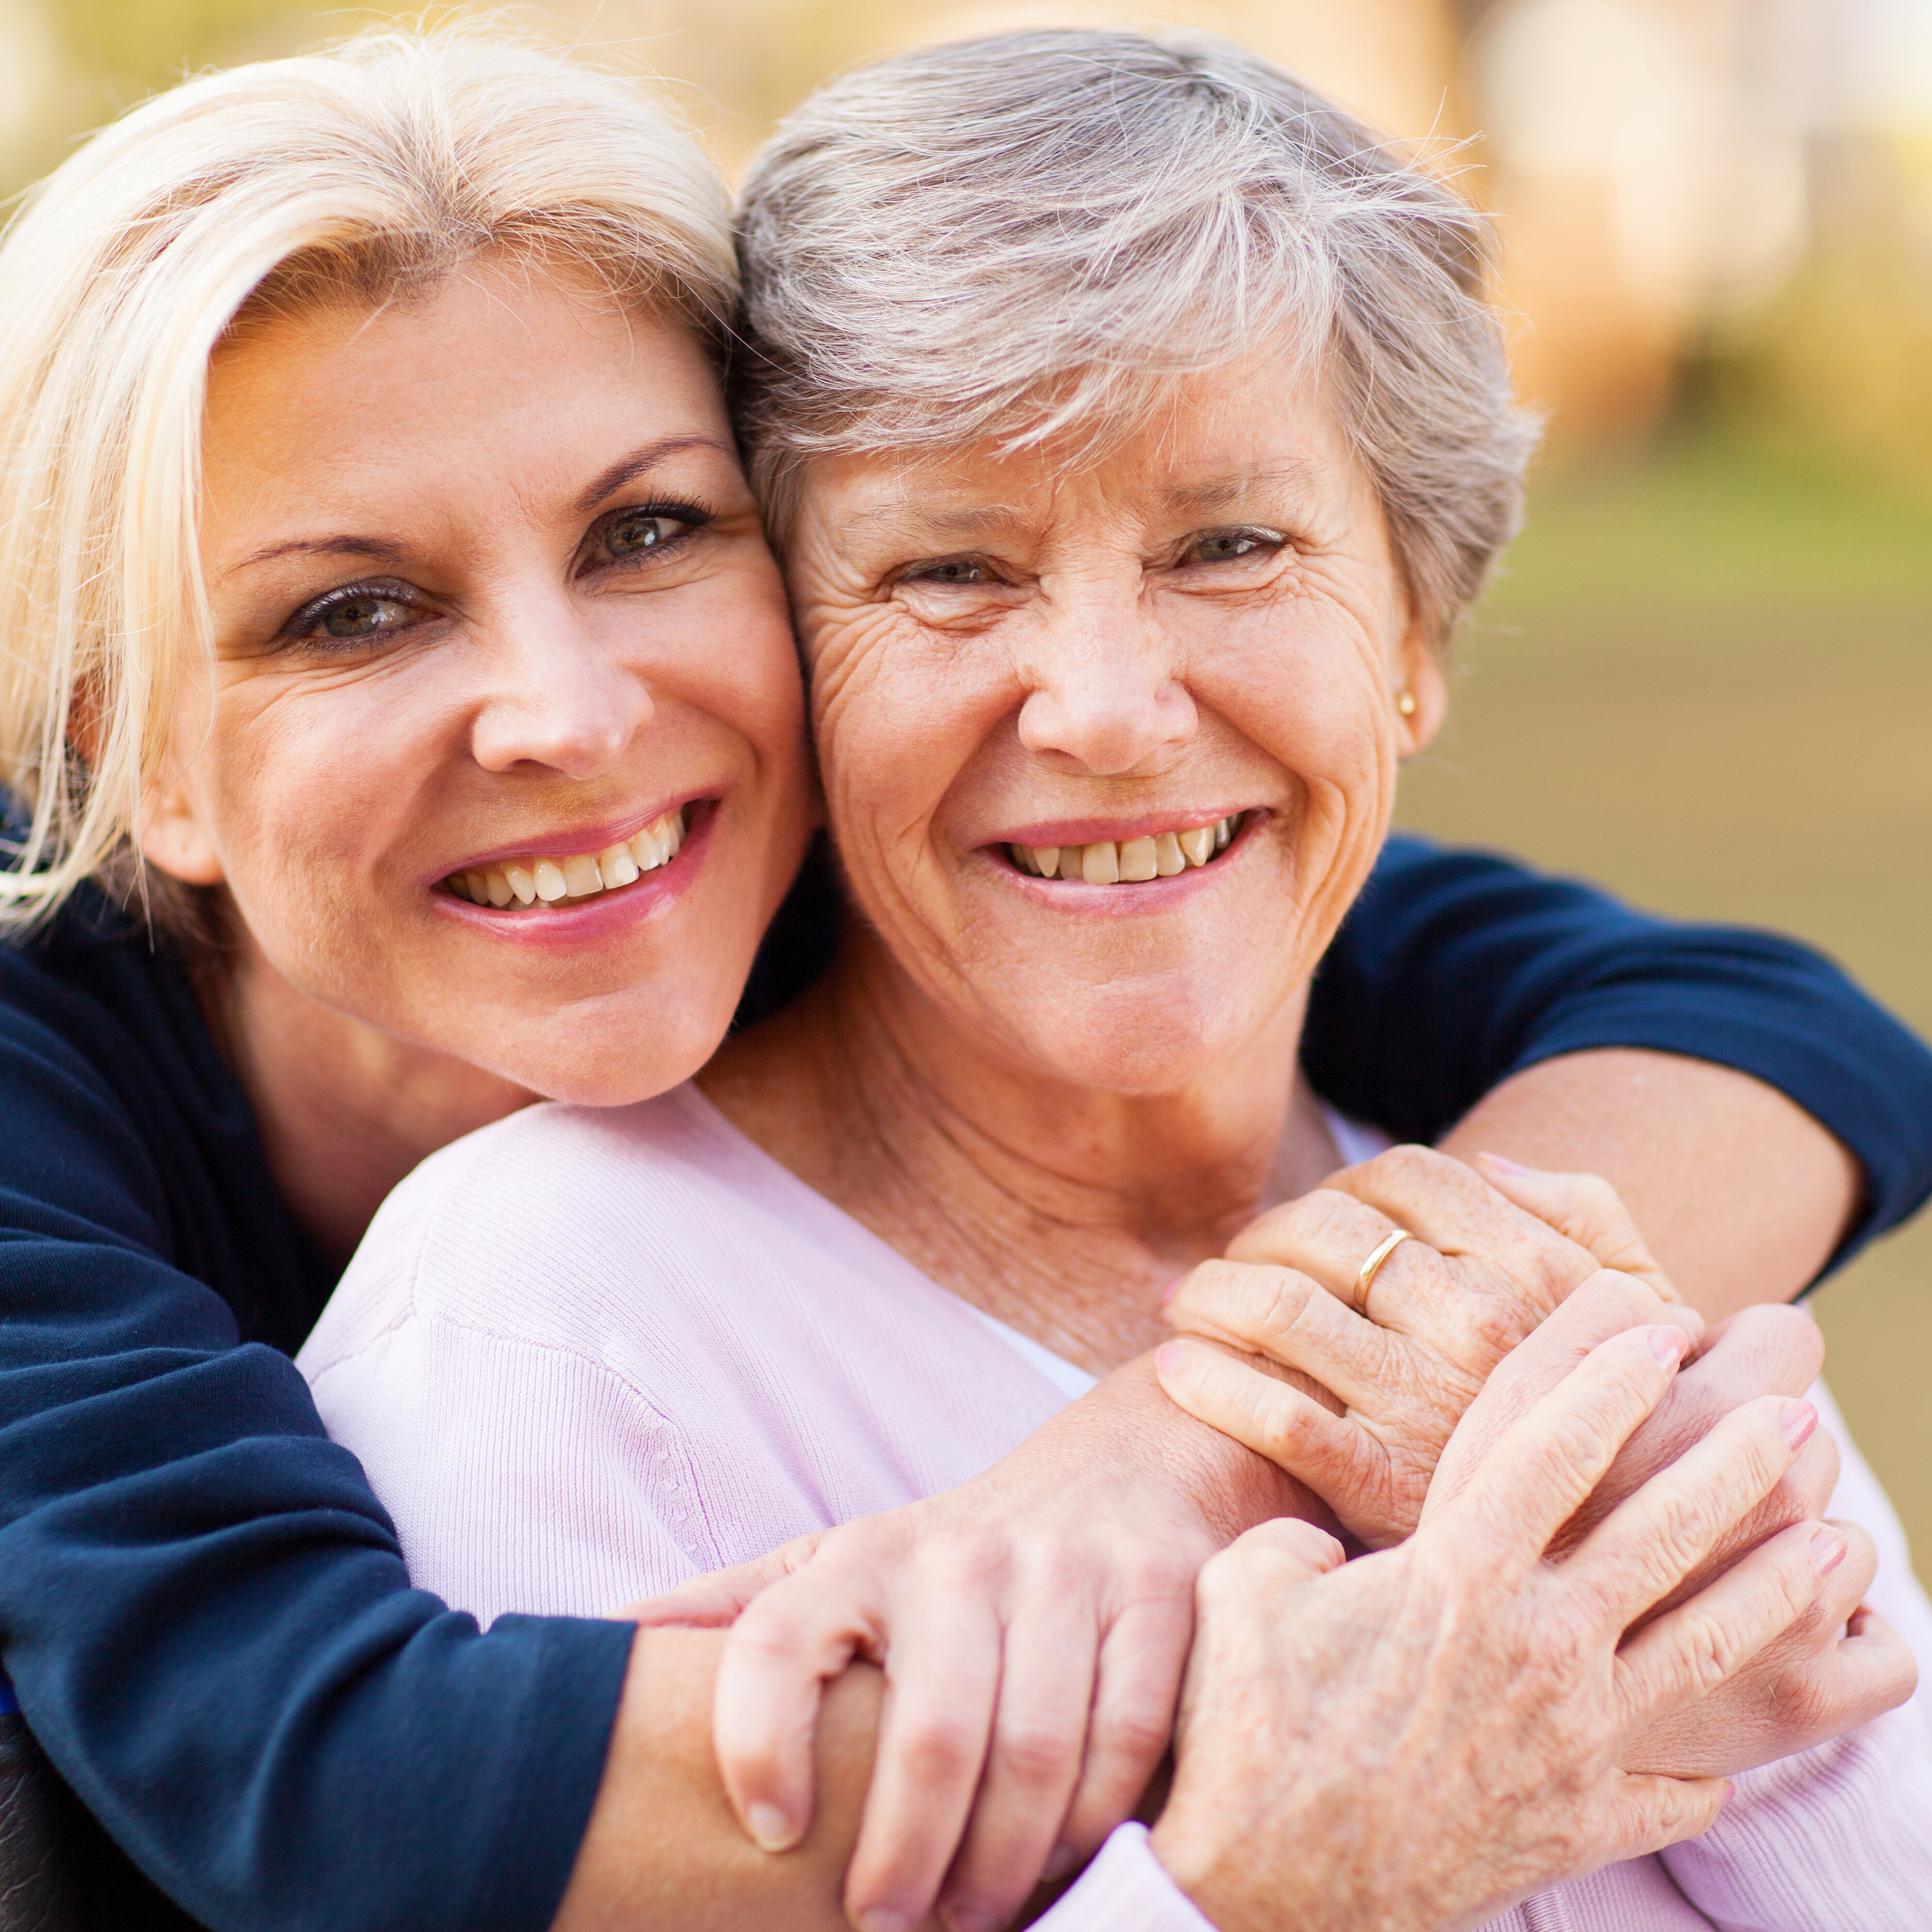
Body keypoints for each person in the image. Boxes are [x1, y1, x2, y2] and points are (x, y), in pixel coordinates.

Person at [0, 25, 1927, 1932]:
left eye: (648, 529)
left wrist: (1195, 1454)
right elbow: (336, 1784)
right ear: (133, 757)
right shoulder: (486, 1310)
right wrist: (1293, 1800)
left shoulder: (1469, 1185)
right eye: (353, 610)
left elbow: (1773, 1026)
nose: (571, 720)